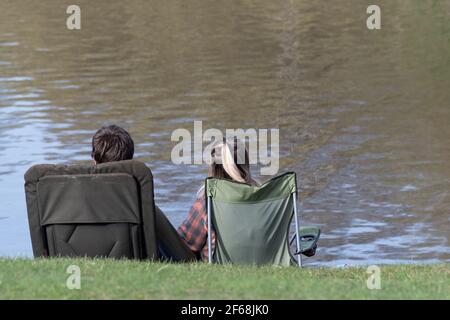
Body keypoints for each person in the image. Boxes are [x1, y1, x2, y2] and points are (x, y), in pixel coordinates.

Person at [177, 138, 317, 261]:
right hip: (271, 264)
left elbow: (186, 243)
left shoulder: (207, 201)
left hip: (220, 264)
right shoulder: (268, 199)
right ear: (246, 163)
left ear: (213, 167)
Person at [91, 125, 196, 262]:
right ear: (130, 162)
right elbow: (184, 256)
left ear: (94, 161)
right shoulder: (144, 208)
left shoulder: (71, 200)